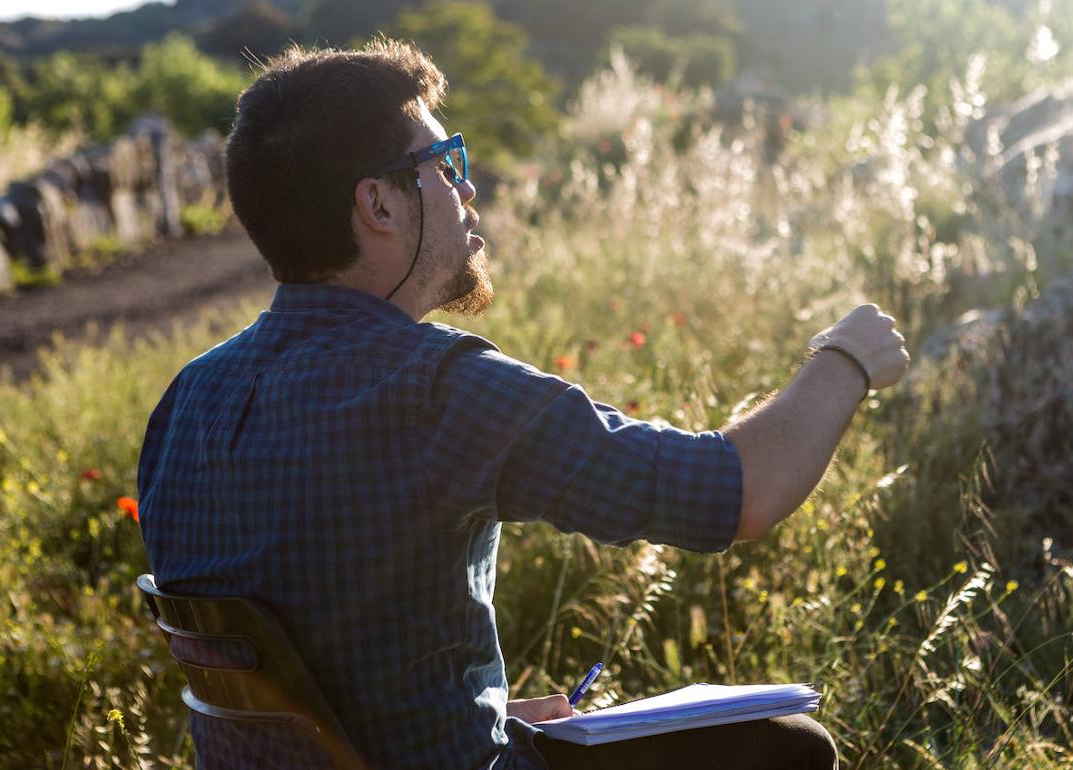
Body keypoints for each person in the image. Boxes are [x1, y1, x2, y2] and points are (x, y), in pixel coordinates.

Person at [137, 40, 909, 770]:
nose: (467, 187)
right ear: (378, 204)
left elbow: (311, 670)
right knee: (786, 745)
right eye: (443, 164)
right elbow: (735, 492)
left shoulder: (185, 403)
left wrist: (491, 717)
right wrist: (845, 360)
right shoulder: (437, 389)